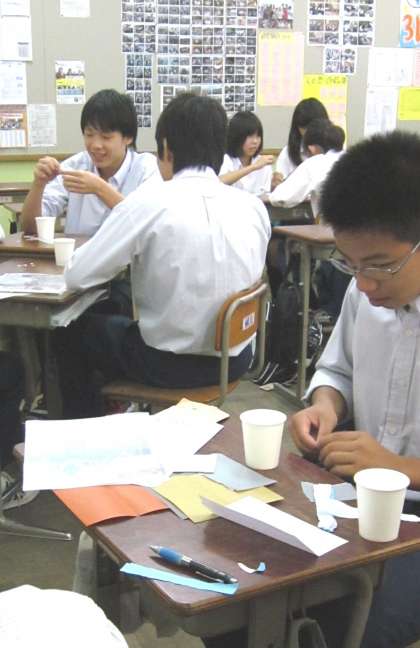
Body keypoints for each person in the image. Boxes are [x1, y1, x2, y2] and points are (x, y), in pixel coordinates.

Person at [56, 93, 270, 419]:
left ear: (166, 149)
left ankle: (85, 430)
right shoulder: (253, 207)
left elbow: (76, 275)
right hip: (238, 357)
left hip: (168, 366)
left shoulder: (148, 203)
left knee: (70, 331)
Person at [288, 130, 420, 648]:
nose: (363, 283)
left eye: (381, 264)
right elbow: (336, 371)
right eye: (350, 263)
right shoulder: (365, 293)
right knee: (252, 590)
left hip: (409, 511)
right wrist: (324, 406)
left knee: (359, 625)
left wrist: (399, 467)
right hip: (354, 494)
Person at [21, 89, 160, 237]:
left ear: (128, 137)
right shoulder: (75, 167)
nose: (95, 145)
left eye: (106, 137)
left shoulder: (146, 169)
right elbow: (31, 228)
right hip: (78, 252)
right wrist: (38, 185)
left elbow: (146, 226)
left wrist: (100, 188)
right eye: (89, 135)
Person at [268, 118, 345, 219]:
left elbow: (279, 198)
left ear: (311, 148)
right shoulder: (354, 157)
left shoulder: (316, 163)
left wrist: (279, 186)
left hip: (334, 226)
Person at [272, 97, 329, 188]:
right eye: (303, 127)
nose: (308, 132)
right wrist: (276, 183)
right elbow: (278, 186)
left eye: (312, 127)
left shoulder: (333, 151)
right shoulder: (288, 152)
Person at [219, 111, 274, 196]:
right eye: (250, 136)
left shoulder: (264, 164)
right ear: (236, 137)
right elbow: (219, 182)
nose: (255, 141)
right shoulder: (225, 160)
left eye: (258, 136)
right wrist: (253, 167)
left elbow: (266, 195)